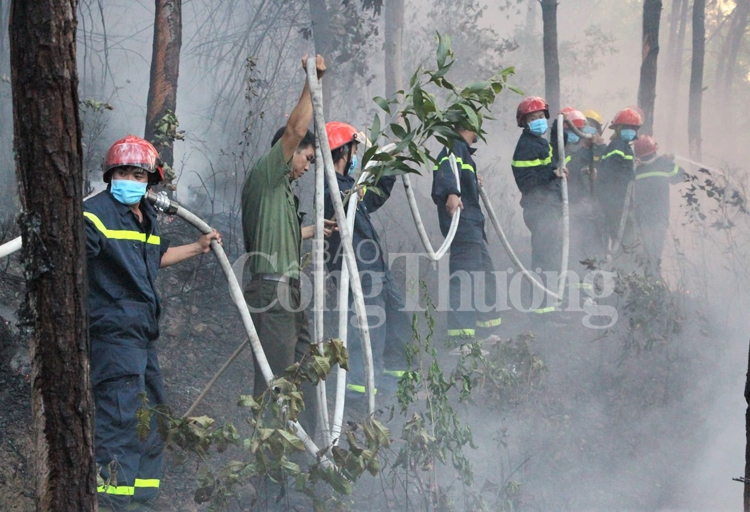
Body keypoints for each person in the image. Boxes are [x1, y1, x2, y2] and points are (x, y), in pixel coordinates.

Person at [85, 135, 221, 510]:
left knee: (154, 421)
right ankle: (113, 503)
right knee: (120, 425)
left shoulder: (143, 218)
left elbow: (152, 258)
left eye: (139, 173)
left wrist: (198, 246)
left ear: (151, 181)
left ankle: (143, 500)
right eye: (124, 171)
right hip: (113, 339)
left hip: (143, 339)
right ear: (111, 175)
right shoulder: (93, 215)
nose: (131, 179)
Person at [240, 54, 334, 441]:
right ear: (288, 150)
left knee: (306, 373)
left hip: (290, 294)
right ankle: (270, 471)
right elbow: (297, 127)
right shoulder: (266, 175)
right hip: (272, 291)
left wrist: (312, 230)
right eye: (308, 157)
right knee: (277, 384)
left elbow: (281, 237)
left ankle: (306, 457)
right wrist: (313, 81)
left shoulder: (282, 197)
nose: (310, 166)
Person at [322, 122, 409, 400]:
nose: (356, 155)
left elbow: (374, 197)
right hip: (358, 271)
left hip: (375, 269)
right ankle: (360, 394)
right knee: (368, 331)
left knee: (396, 321)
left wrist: (389, 166)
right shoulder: (330, 189)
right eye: (355, 149)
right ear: (344, 151)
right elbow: (338, 209)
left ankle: (400, 384)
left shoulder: (348, 186)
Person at [432, 125, 502, 342]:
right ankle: (460, 339)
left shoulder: (463, 153)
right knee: (464, 280)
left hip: (473, 227)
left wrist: (472, 180)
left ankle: (484, 331)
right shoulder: (454, 147)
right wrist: (451, 192)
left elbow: (456, 174)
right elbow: (444, 170)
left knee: (484, 276)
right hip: (462, 225)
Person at [511, 96, 567, 313]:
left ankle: (549, 307)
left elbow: (551, 157)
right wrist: (552, 174)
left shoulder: (539, 143)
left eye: (541, 116)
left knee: (551, 257)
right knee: (544, 259)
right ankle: (542, 311)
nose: (538, 120)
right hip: (539, 209)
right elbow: (528, 181)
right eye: (533, 117)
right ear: (524, 122)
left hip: (548, 207)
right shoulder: (526, 147)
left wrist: (557, 173)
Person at [632, 135, 685, 274]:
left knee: (643, 251)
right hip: (660, 216)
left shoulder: (635, 168)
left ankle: (644, 281)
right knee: (655, 251)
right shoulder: (662, 163)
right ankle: (653, 279)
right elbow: (681, 176)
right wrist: (668, 162)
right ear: (654, 150)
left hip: (641, 218)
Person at [598, 107, 643, 253]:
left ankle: (623, 269)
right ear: (618, 129)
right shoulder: (617, 146)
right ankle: (623, 270)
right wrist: (631, 172)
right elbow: (613, 173)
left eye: (633, 128)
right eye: (627, 127)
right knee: (626, 239)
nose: (630, 131)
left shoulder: (622, 146)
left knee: (626, 238)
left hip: (618, 201)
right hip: (615, 203)